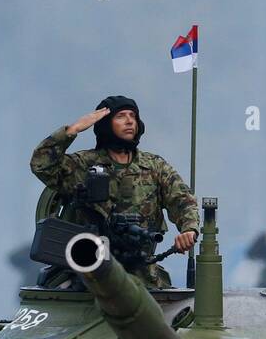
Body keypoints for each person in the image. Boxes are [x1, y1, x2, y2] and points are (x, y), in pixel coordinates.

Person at [30, 96, 198, 289]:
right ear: (106, 125)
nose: (129, 121)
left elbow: (183, 200)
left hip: (142, 273)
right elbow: (41, 164)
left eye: (133, 116)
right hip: (89, 272)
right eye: (121, 116)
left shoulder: (154, 167)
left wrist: (189, 230)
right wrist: (72, 130)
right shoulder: (84, 165)